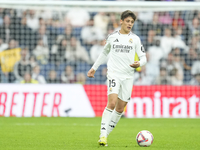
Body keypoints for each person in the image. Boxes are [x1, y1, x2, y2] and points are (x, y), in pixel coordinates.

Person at [87, 10, 147, 146]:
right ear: (121, 21)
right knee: (112, 103)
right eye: (127, 21)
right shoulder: (113, 37)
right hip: (114, 73)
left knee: (120, 109)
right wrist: (94, 68)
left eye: (132, 22)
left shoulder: (135, 39)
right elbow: (104, 53)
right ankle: (102, 135)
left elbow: (144, 57)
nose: (130, 24)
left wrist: (139, 63)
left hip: (128, 76)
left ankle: (105, 135)